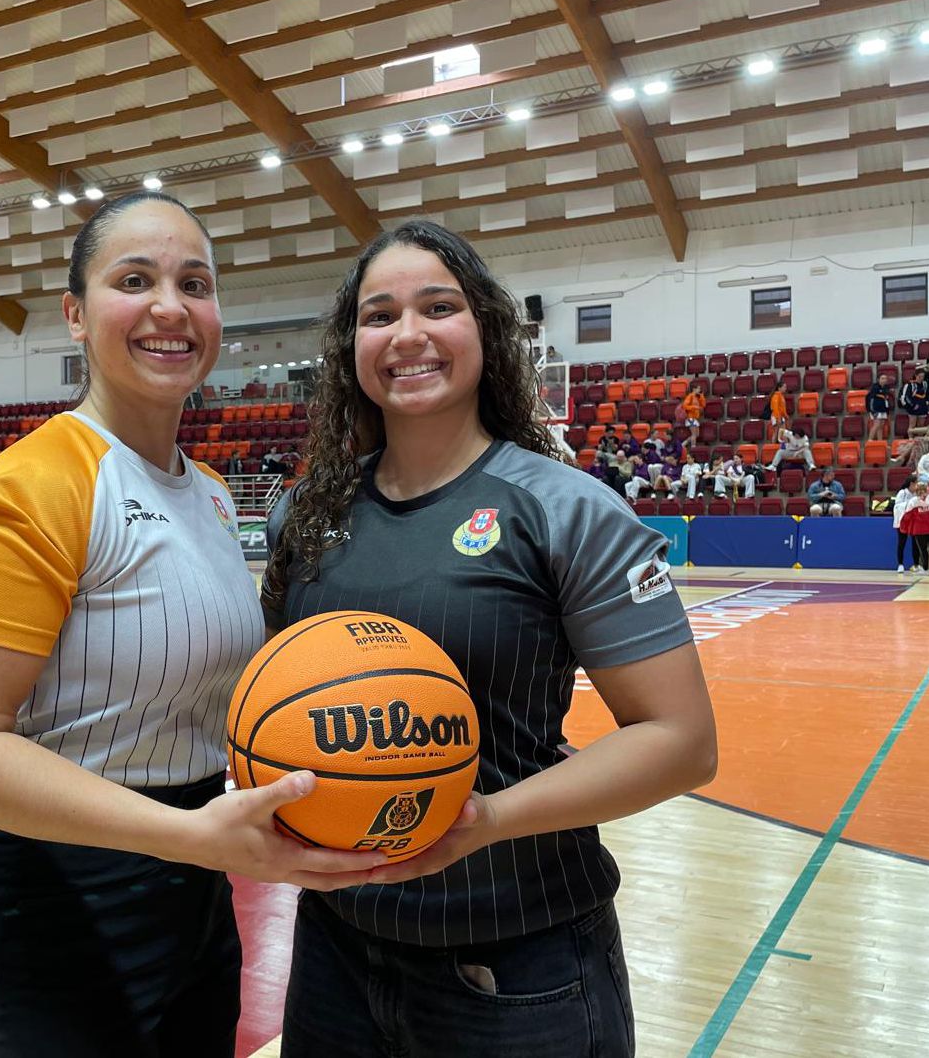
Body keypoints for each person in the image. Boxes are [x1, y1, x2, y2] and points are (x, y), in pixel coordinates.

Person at [0, 192, 378, 1058]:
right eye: (135, 280)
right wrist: (188, 835)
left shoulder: (201, 490)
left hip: (190, 911)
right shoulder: (28, 488)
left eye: (193, 283)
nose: (170, 306)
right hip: (41, 924)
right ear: (76, 316)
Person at [261, 220, 716, 1058]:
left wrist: (487, 818)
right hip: (334, 947)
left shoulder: (563, 508)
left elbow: (680, 742)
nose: (407, 335)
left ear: (486, 330)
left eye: (438, 306)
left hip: (519, 955)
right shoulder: (306, 513)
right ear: (347, 345)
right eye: (377, 314)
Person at [898, 476, 929, 574]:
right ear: (927, 489)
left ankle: (925, 568)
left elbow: (907, 515)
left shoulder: (914, 501)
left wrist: (904, 526)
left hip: (919, 529)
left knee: (923, 549)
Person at [867, 374, 893, 443]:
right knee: (876, 425)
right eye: (882, 378)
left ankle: (880, 442)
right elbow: (871, 400)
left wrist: (887, 411)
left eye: (885, 379)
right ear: (878, 379)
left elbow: (886, 400)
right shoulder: (874, 388)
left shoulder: (886, 388)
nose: (884, 380)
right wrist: (872, 410)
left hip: (883, 409)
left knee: (881, 426)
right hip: (876, 409)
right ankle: (870, 440)